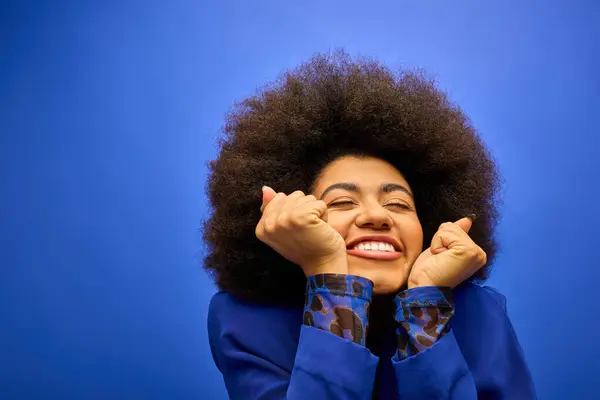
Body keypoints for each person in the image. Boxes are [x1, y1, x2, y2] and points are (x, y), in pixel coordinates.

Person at [203, 51, 536, 399]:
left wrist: (425, 311)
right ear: (294, 223)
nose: (378, 216)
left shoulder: (479, 313)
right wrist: (328, 274)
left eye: (399, 204)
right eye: (343, 202)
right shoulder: (246, 320)